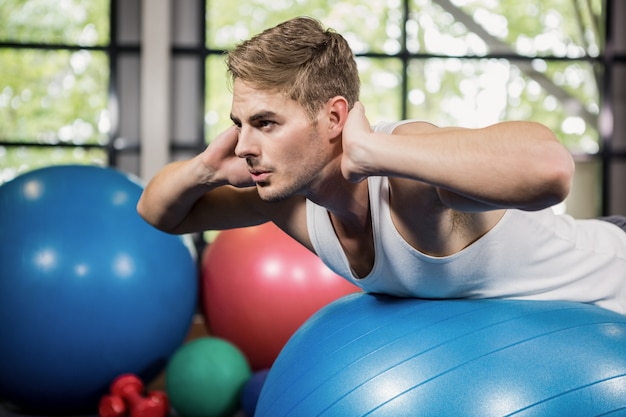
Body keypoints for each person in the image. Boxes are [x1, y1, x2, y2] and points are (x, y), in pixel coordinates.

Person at [137, 16, 626, 314]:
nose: (244, 144)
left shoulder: (407, 180)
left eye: (265, 123)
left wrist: (372, 152)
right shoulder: (286, 204)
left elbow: (550, 168)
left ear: (334, 118)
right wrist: (205, 167)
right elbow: (159, 213)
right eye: (238, 123)